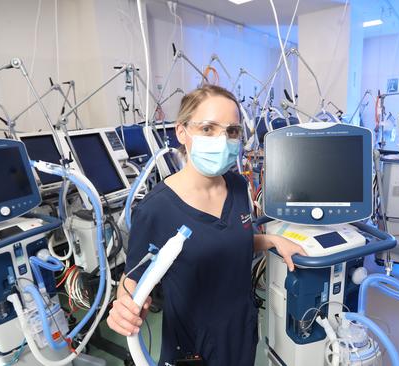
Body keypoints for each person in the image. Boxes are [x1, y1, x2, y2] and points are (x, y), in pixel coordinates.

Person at [107, 84, 306, 365]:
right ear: (182, 132)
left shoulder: (237, 186)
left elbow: (233, 242)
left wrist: (273, 240)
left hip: (240, 330)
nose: (222, 140)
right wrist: (125, 309)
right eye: (208, 129)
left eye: (232, 131)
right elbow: (133, 280)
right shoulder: (157, 208)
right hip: (194, 344)